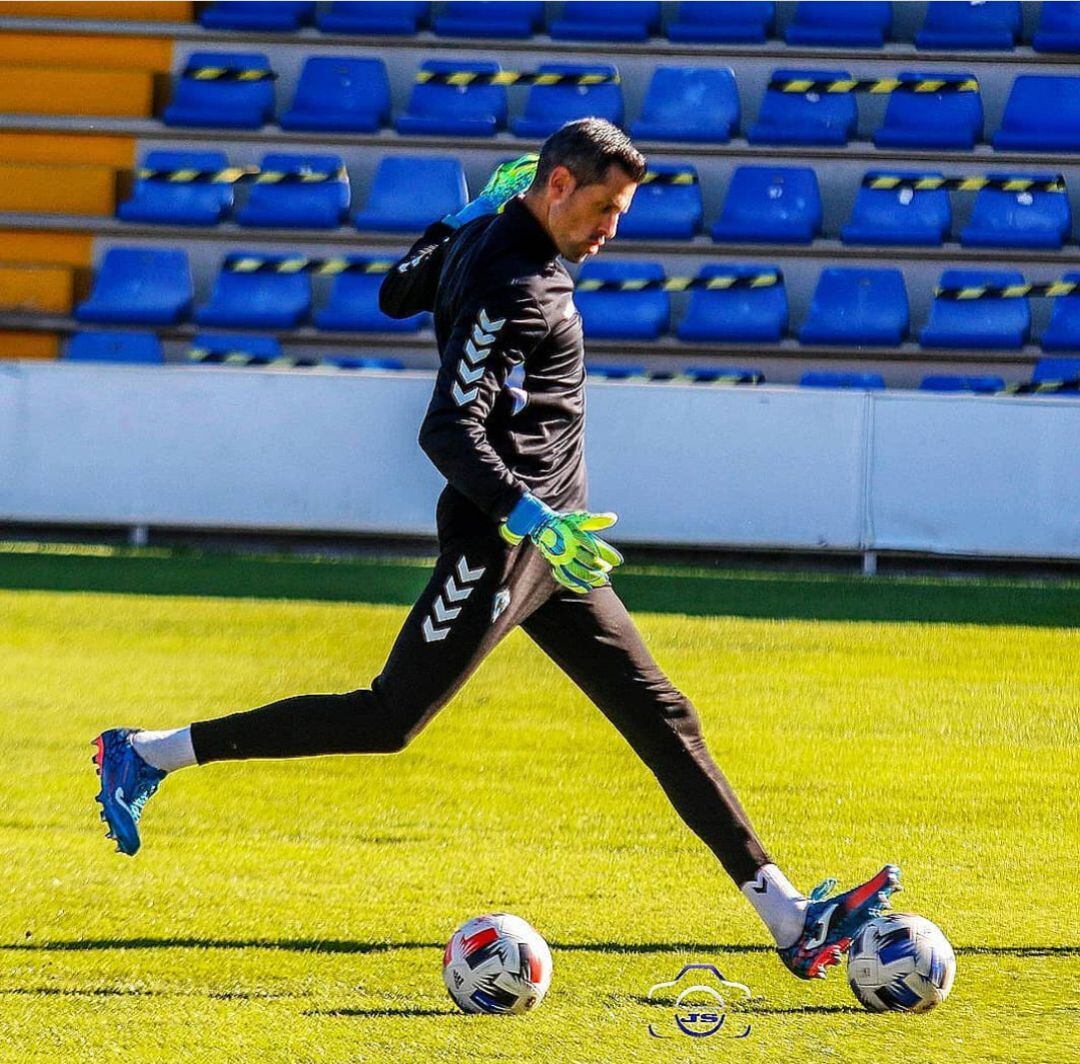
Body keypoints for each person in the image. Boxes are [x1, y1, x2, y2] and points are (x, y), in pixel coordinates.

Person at [92, 118, 899, 981]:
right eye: (601, 207)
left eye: (620, 212)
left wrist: (459, 217)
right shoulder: (517, 284)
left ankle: (789, 921)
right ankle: (146, 751)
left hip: (556, 549)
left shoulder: (494, 237)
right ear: (555, 185)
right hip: (501, 546)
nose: (610, 230)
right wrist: (527, 515)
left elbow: (396, 295)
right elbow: (447, 429)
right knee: (389, 719)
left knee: (662, 716)